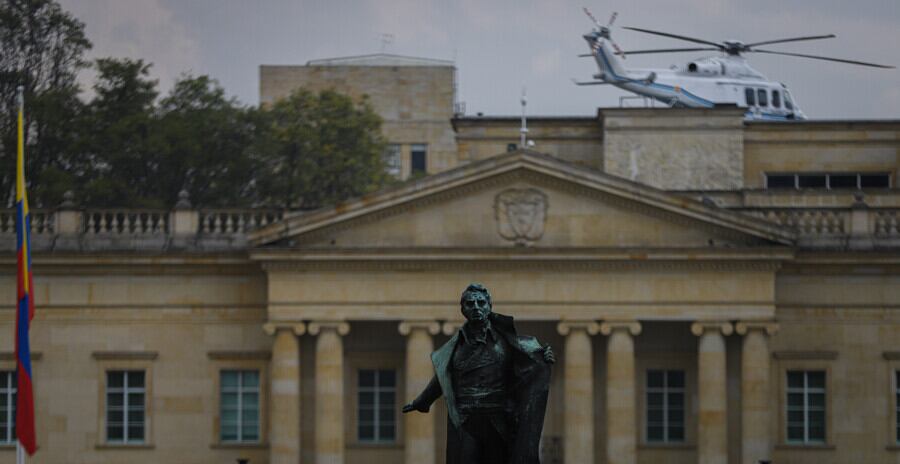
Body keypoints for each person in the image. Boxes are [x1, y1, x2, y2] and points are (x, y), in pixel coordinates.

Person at [402, 283, 555, 464]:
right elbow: (443, 379)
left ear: (489, 306)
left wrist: (542, 357)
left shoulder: (507, 342)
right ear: (463, 310)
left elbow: (531, 360)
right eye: (470, 303)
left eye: (481, 303)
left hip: (497, 419)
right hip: (466, 419)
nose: (476, 307)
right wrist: (422, 401)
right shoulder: (455, 347)